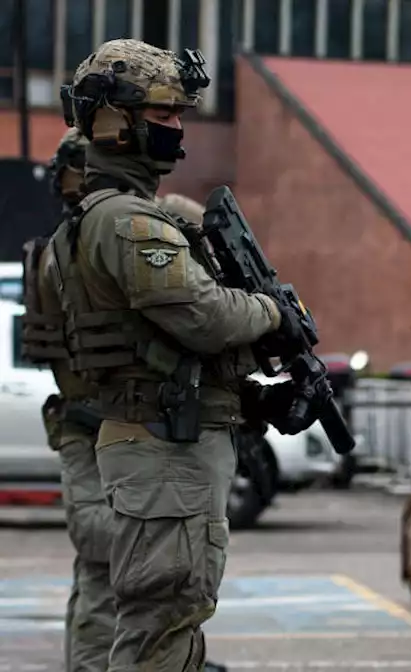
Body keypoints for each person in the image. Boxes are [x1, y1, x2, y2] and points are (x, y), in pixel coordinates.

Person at [56, 39, 302, 669]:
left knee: (173, 616)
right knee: (162, 619)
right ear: (115, 120)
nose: (175, 129)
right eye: (163, 115)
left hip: (165, 445)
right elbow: (203, 314)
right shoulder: (128, 222)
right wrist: (273, 311)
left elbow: (162, 343)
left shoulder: (116, 216)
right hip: (161, 451)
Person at [20, 128, 114, 672]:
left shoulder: (72, 242)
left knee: (99, 574)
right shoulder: (80, 248)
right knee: (106, 565)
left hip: (97, 424)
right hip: (96, 424)